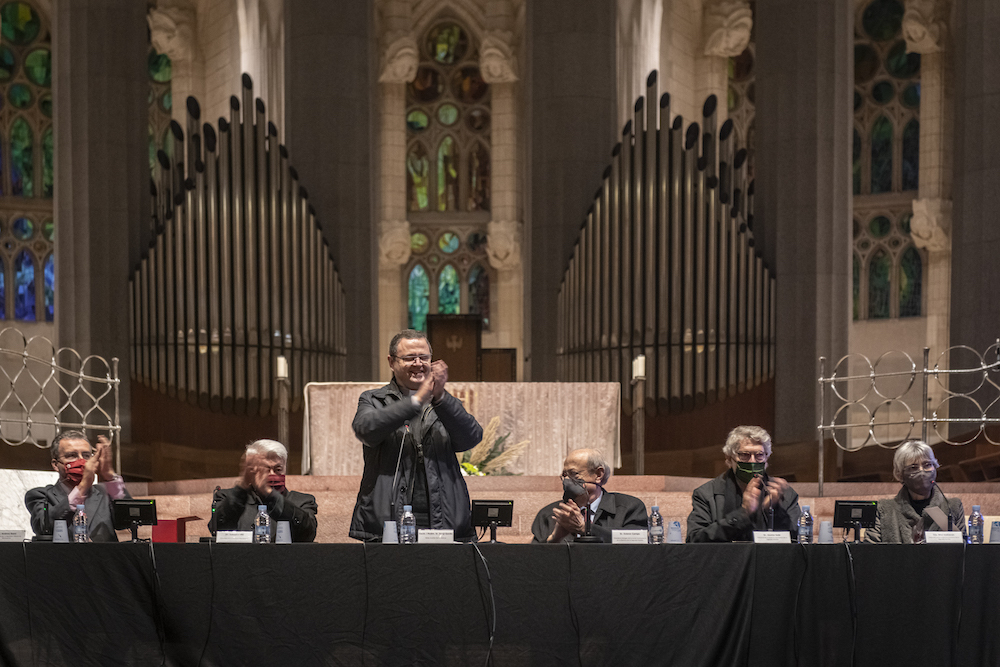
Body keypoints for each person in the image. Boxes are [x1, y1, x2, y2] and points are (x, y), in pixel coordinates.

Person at [350, 329, 483, 541]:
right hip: (388, 522)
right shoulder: (374, 400)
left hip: (443, 519)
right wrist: (415, 402)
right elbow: (366, 430)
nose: (418, 363)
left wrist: (439, 398)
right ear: (391, 362)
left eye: (424, 357)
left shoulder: (444, 403)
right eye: (410, 358)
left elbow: (471, 437)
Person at [686, 425, 801, 542]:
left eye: (759, 455)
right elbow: (695, 539)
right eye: (745, 455)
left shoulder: (785, 494)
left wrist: (776, 510)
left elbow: (797, 540)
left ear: (767, 458)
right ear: (729, 458)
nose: (752, 461)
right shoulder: (706, 494)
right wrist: (742, 513)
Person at [25, 430, 130, 542]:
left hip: (104, 558)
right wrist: (83, 486)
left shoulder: (105, 493)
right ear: (56, 465)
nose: (81, 461)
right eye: (72, 455)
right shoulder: (40, 495)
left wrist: (109, 475)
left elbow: (127, 520)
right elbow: (42, 527)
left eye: (86, 455)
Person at [209, 439, 318, 542]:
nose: (271, 474)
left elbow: (308, 534)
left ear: (285, 469)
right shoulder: (226, 497)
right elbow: (217, 528)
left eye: (278, 470)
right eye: (265, 469)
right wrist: (242, 488)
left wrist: (271, 495)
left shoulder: (302, 501)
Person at [531, 448, 648, 543]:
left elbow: (637, 545)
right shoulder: (549, 514)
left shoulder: (628, 508)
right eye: (564, 475)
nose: (566, 480)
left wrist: (585, 529)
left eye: (573, 474)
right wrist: (554, 539)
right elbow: (532, 561)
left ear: (598, 474)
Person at [864, 440, 965, 544]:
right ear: (900, 474)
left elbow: (963, 551)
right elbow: (870, 552)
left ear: (935, 467)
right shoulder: (883, 510)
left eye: (927, 465)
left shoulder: (952, 507)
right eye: (913, 467)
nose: (922, 471)